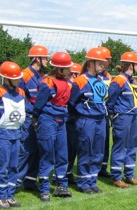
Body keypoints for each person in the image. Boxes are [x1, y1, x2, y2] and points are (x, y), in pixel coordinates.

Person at [0, 61, 26, 208]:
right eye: (17, 78)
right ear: (7, 78)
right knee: (3, 167)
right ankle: (1, 197)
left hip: (16, 134)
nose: (20, 80)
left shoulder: (21, 93)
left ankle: (10, 195)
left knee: (14, 166)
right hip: (2, 135)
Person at [33, 52, 73, 201]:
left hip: (61, 120)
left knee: (63, 154)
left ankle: (62, 185)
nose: (70, 70)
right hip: (48, 120)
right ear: (59, 70)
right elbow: (39, 103)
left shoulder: (67, 83)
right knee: (47, 153)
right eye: (67, 68)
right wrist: (36, 118)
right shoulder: (47, 82)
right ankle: (44, 188)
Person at [69, 48, 108, 194]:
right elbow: (72, 102)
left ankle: (92, 181)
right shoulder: (80, 81)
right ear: (91, 63)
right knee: (86, 151)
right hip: (87, 121)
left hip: (100, 120)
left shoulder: (100, 80)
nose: (103, 66)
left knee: (98, 152)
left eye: (104, 63)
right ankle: (83, 183)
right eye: (101, 63)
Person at [107, 51, 137, 188]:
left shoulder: (131, 80)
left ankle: (130, 175)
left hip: (133, 116)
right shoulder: (118, 81)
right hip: (122, 117)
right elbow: (110, 101)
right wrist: (113, 116)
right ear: (131, 65)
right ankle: (116, 176)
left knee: (132, 145)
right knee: (120, 146)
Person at [17, 45, 49, 191]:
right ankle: (14, 183)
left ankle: (30, 181)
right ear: (37, 58)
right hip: (29, 118)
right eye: (45, 57)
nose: (47, 60)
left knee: (38, 150)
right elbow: (19, 97)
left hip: (40, 118)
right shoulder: (24, 75)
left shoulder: (42, 77)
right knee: (26, 151)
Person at [63, 62, 82, 185]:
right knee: (67, 149)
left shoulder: (71, 85)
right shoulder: (69, 86)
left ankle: (68, 173)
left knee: (73, 149)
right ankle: (62, 174)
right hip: (69, 121)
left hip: (73, 120)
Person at [97, 46, 113, 178]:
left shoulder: (107, 75)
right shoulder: (93, 75)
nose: (109, 62)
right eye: (108, 59)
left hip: (105, 113)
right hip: (95, 114)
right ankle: (93, 168)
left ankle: (102, 167)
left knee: (105, 142)